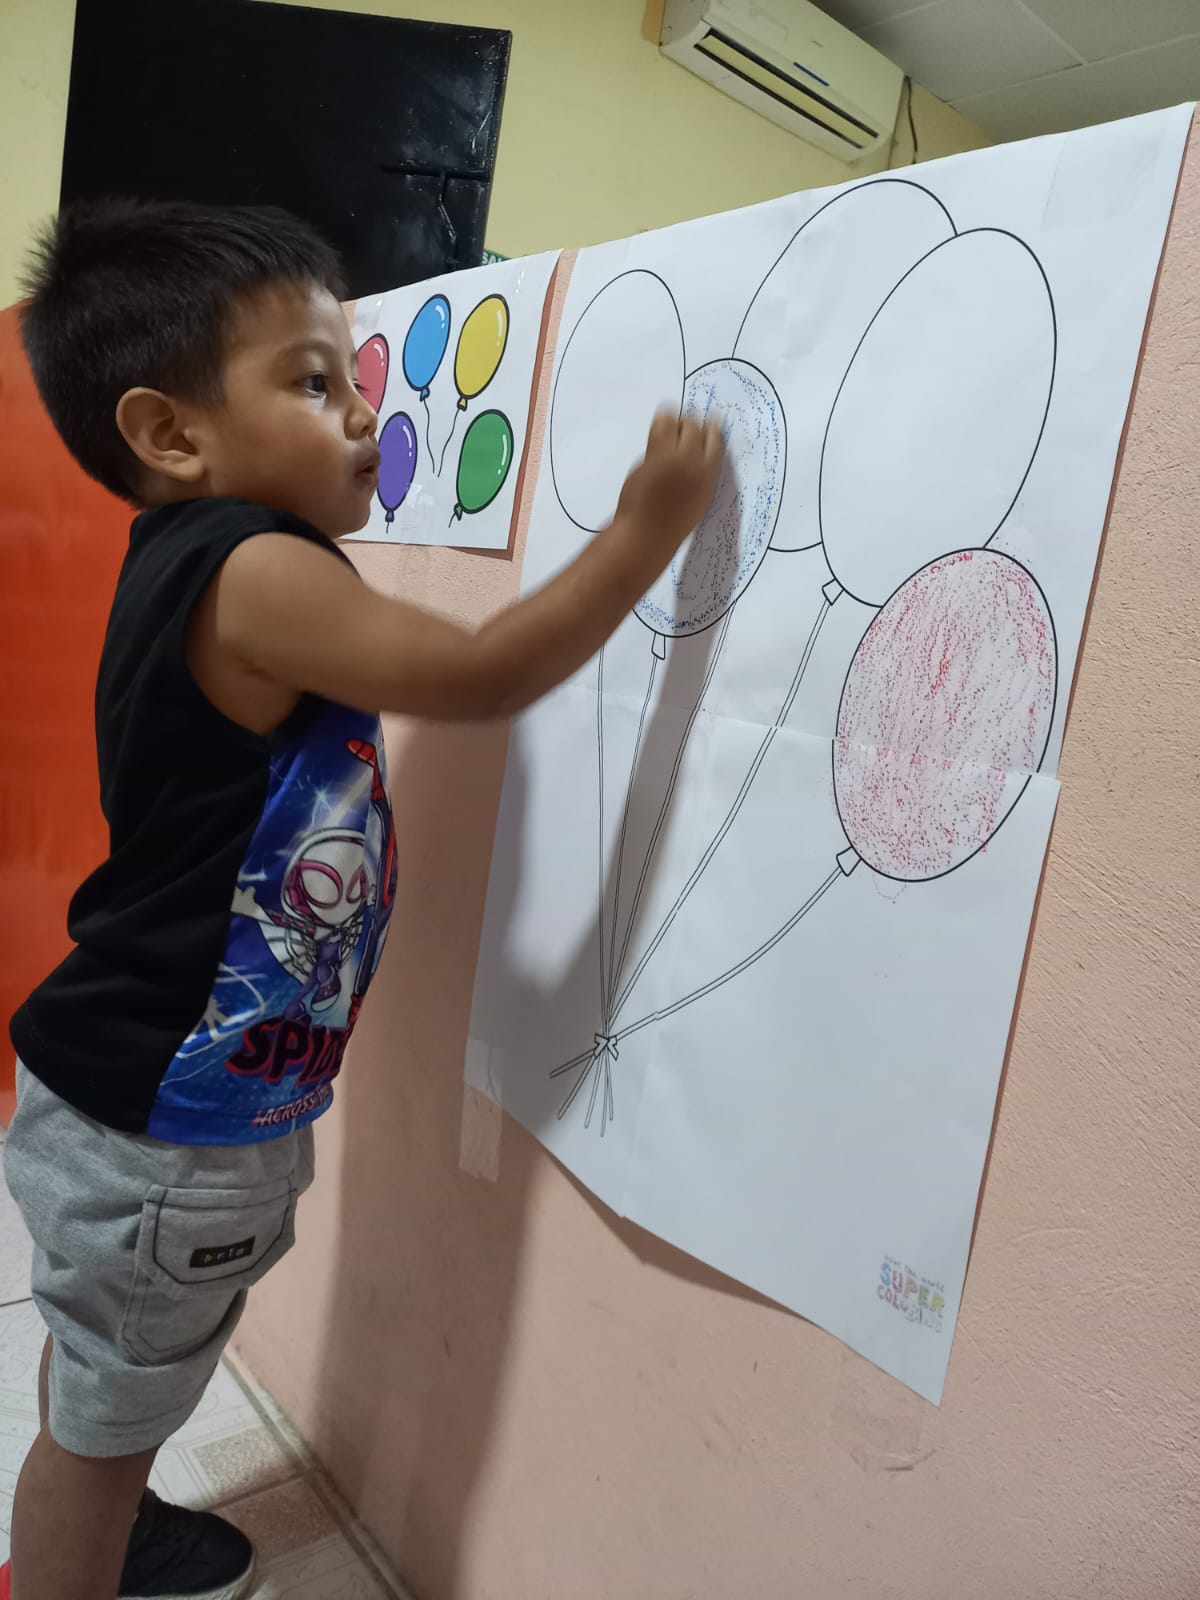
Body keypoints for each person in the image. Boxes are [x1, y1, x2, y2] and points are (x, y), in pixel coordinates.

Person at [2, 199, 722, 1600]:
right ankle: (82, 1552)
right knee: (98, 1428)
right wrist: (647, 530)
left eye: (356, 377)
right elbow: (487, 673)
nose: (361, 417)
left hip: (146, 1091)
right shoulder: (252, 567)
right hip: (167, 1117)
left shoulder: (195, 561)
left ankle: (111, 1527)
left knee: (109, 1371)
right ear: (170, 434)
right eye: (312, 380)